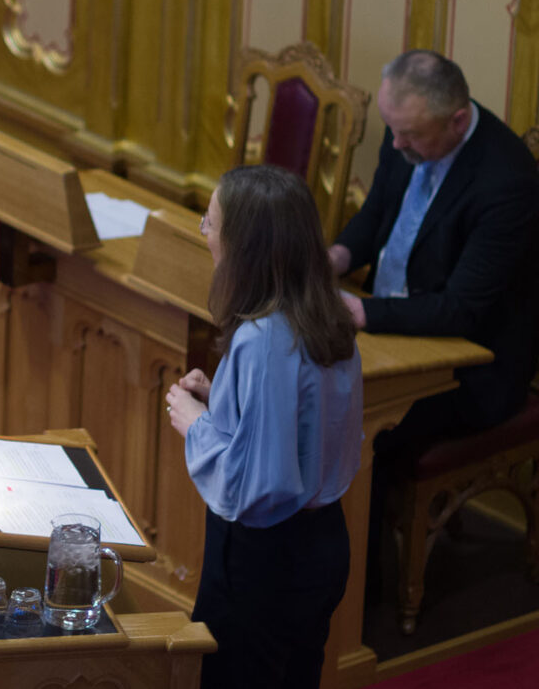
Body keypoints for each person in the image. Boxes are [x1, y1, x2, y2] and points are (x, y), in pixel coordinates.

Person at [166, 164, 363, 688]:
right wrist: (225, 398)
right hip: (321, 545)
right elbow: (302, 422)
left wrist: (198, 422)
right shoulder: (332, 317)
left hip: (263, 560)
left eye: (210, 224)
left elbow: (254, 484)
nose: (204, 235)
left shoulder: (260, 337)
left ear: (243, 244)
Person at [330, 51, 538, 456]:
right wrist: (336, 257)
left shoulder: (507, 183)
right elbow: (376, 215)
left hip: (469, 366)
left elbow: (460, 309)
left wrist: (360, 312)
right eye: (392, 128)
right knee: (294, 385)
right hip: (390, 327)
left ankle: (359, 521)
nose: (395, 143)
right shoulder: (406, 135)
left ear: (457, 120)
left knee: (351, 423)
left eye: (408, 133)